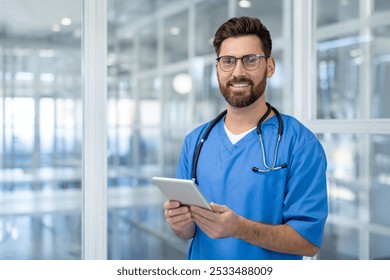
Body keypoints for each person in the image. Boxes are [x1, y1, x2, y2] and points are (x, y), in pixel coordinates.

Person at [164, 16, 328, 260]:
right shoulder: (195, 142)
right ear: (218, 68)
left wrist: (239, 229)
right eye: (228, 61)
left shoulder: (299, 144)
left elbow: (308, 242)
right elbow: (189, 232)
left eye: (250, 60)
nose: (238, 72)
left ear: (269, 66)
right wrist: (179, 224)